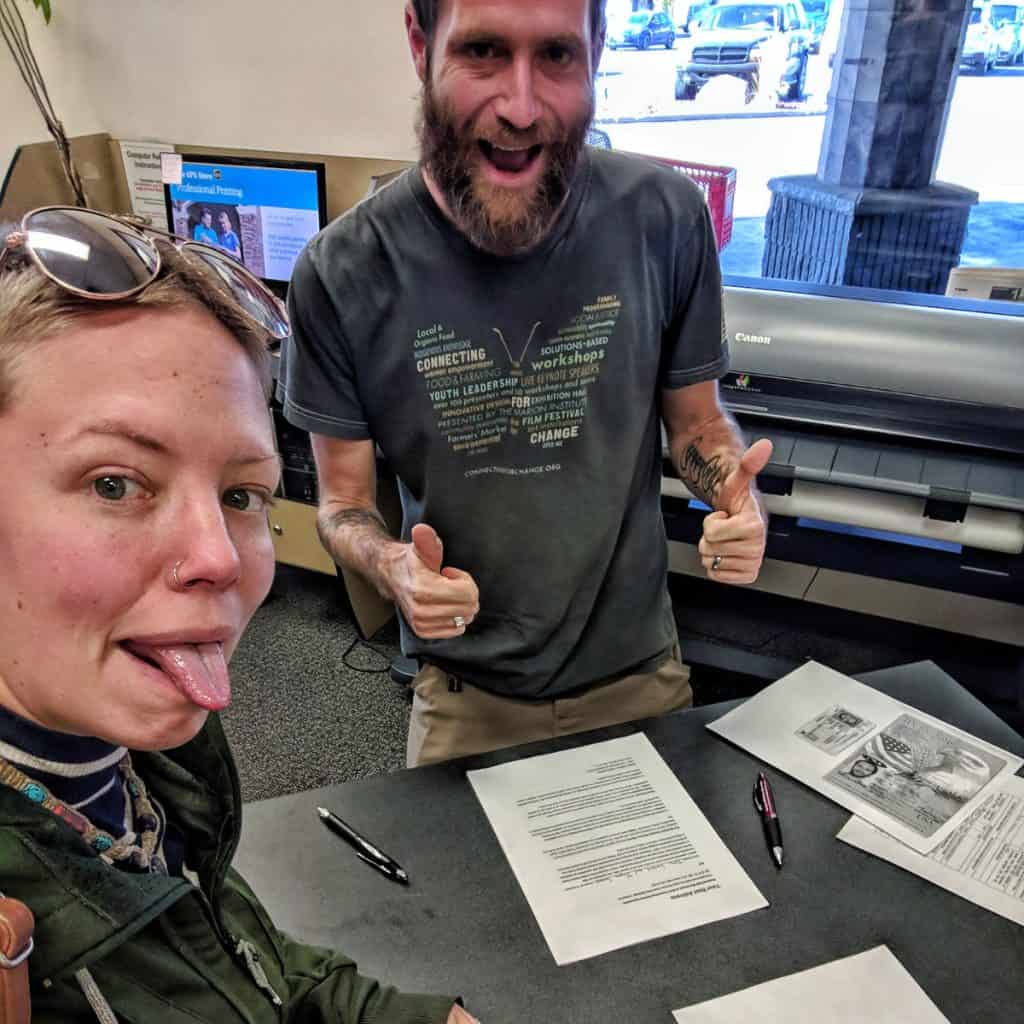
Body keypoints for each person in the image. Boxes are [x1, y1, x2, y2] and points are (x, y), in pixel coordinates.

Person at [0, 208, 476, 1024]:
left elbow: (234, 960)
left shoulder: (150, 761)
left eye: (239, 494)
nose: (220, 556)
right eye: (116, 483)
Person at [277, 0, 772, 767]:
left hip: (639, 673)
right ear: (420, 42)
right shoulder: (343, 271)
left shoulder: (664, 218)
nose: (520, 105)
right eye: (481, 51)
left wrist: (735, 496)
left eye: (557, 56)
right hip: (464, 694)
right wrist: (394, 570)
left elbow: (698, 427)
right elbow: (342, 503)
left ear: (598, 50)